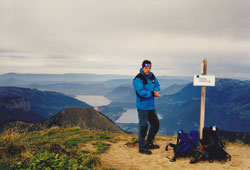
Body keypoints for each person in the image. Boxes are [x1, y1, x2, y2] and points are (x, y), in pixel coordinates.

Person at [133, 60, 161, 155]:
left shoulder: (152, 76)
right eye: (146, 68)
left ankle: (149, 142)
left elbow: (157, 85)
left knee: (155, 124)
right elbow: (140, 92)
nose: (148, 69)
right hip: (142, 107)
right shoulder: (138, 79)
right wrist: (153, 93)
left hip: (151, 106)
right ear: (142, 67)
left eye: (149, 68)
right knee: (143, 126)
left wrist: (156, 91)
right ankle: (142, 147)